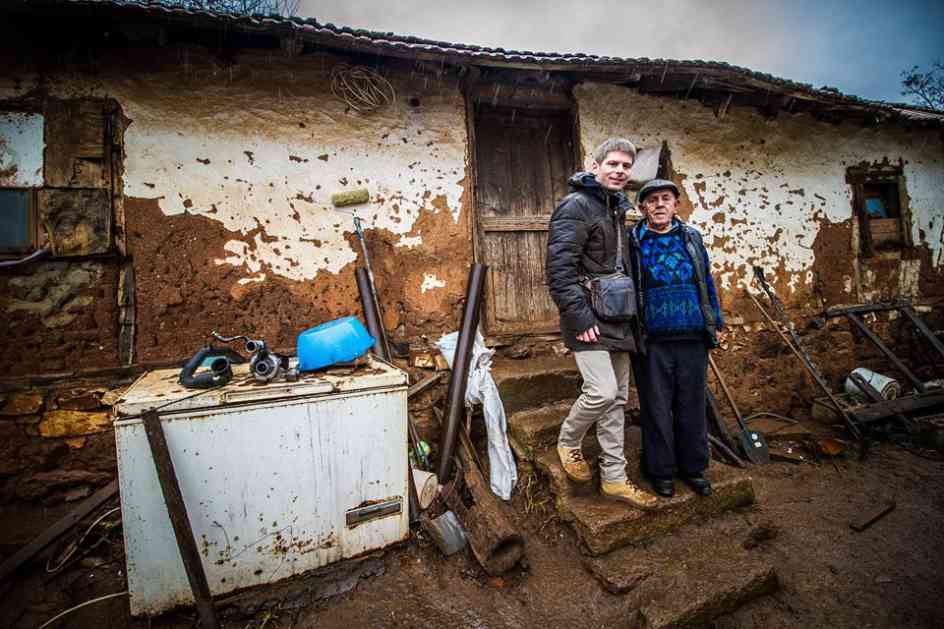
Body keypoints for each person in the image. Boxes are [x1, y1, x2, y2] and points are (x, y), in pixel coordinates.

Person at [545, 138, 657, 510]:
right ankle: (568, 440)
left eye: (626, 166)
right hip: (589, 318)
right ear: (595, 167)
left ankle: (614, 479)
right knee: (602, 392)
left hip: (619, 317)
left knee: (618, 401)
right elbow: (559, 270)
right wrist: (578, 317)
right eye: (613, 164)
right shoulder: (577, 206)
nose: (620, 171)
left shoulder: (615, 208)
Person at [627, 178, 723, 498]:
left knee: (691, 405)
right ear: (642, 208)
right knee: (656, 407)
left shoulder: (692, 238)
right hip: (653, 339)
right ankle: (661, 471)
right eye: (651, 200)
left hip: (692, 335)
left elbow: (704, 279)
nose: (659, 205)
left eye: (665, 199)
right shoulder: (634, 241)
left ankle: (693, 468)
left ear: (676, 205)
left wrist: (714, 320)